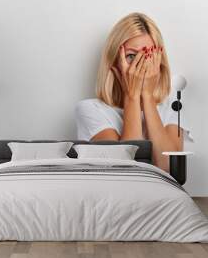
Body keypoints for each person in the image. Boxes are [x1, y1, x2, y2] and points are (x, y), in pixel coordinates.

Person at [75, 12, 192, 172]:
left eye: (148, 56)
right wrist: (132, 96)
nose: (141, 66)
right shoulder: (90, 110)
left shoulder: (172, 106)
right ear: (114, 63)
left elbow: (171, 171)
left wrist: (148, 97)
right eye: (131, 56)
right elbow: (125, 172)